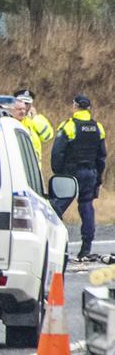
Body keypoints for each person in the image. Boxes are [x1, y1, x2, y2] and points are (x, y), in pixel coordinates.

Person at [51, 94, 107, 259]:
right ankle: (86, 248)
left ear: (75, 106)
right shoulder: (98, 128)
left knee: (56, 207)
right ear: (89, 108)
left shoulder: (69, 126)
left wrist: (58, 173)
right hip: (90, 172)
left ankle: (54, 242)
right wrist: (98, 178)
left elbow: (57, 152)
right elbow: (102, 156)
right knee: (87, 207)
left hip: (71, 173)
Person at [12, 89, 54, 163]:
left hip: (33, 170)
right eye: (22, 103)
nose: (24, 106)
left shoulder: (37, 119)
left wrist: (35, 118)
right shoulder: (8, 120)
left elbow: (47, 136)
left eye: (27, 103)